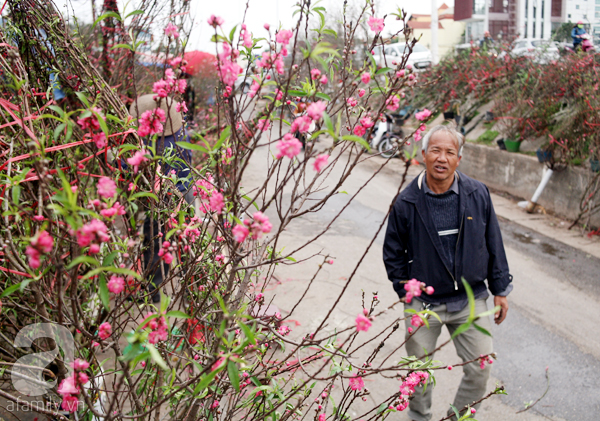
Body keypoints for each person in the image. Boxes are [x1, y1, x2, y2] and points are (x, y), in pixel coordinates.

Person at [383, 124, 512, 421]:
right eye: (436, 151)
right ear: (424, 155)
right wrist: (406, 291)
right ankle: (420, 417)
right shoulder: (407, 202)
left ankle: (457, 418)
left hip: (470, 299)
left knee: (481, 368)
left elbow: (494, 242)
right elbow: (393, 253)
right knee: (419, 372)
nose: (442, 158)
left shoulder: (477, 193)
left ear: (459, 159)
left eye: (449, 152)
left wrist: (501, 290)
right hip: (424, 306)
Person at [128, 94, 195, 303]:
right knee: (186, 240)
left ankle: (152, 291)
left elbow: (133, 166)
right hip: (186, 192)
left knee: (156, 241)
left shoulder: (150, 144)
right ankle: (192, 290)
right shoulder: (182, 133)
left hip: (161, 197)